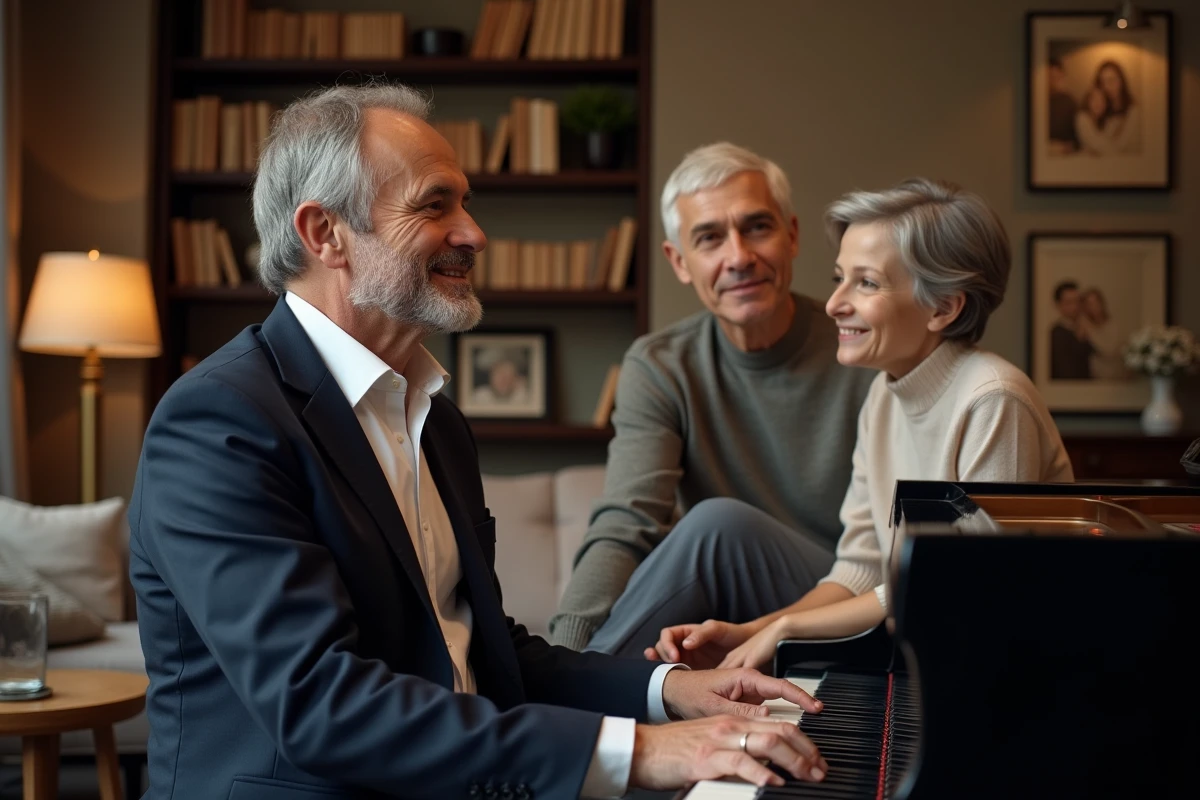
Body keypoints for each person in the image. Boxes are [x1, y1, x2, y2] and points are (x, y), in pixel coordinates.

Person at [129, 84, 830, 800]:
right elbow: (321, 705)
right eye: (434, 205)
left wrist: (673, 689)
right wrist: (642, 748)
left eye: (466, 204)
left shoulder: (436, 422)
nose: (472, 233)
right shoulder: (220, 422)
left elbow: (493, 656)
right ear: (324, 234)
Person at [647, 178, 1075, 671]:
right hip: (925, 651)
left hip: (1004, 670)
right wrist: (754, 631)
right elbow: (861, 568)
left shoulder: (993, 399)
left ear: (944, 307)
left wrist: (784, 630)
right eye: (839, 278)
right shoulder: (883, 394)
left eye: (866, 282)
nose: (833, 305)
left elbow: (964, 592)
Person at [549, 142, 876, 656]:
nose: (739, 257)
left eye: (758, 228)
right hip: (731, 618)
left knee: (717, 526)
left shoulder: (864, 347)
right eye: (709, 238)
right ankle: (568, 682)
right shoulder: (661, 365)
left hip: (852, 600)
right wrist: (564, 640)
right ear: (679, 262)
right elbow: (626, 522)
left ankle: (564, 698)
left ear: (792, 236)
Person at [1078, 60, 1141, 155]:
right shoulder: (1101, 111)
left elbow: (1119, 148)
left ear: (1121, 81)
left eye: (1111, 80)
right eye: (1103, 82)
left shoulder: (1133, 110)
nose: (1107, 86)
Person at [1050, 280, 1095, 380]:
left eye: (1077, 301)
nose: (1074, 307)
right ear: (1059, 305)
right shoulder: (1056, 333)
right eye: (1069, 302)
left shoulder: (1086, 328)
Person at [1080, 287, 1126, 379]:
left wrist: (1090, 330)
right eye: (1089, 304)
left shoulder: (1113, 325)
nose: (1092, 307)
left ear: (1101, 303)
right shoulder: (1083, 325)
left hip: (1114, 377)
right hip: (1095, 377)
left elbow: (1109, 350)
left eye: (1095, 302)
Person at [1047, 58, 1079, 154]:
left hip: (1063, 156)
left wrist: (1064, 148)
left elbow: (1078, 140)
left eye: (1056, 77)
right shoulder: (1039, 104)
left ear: (1062, 76)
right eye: (1050, 77)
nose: (1053, 81)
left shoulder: (1070, 103)